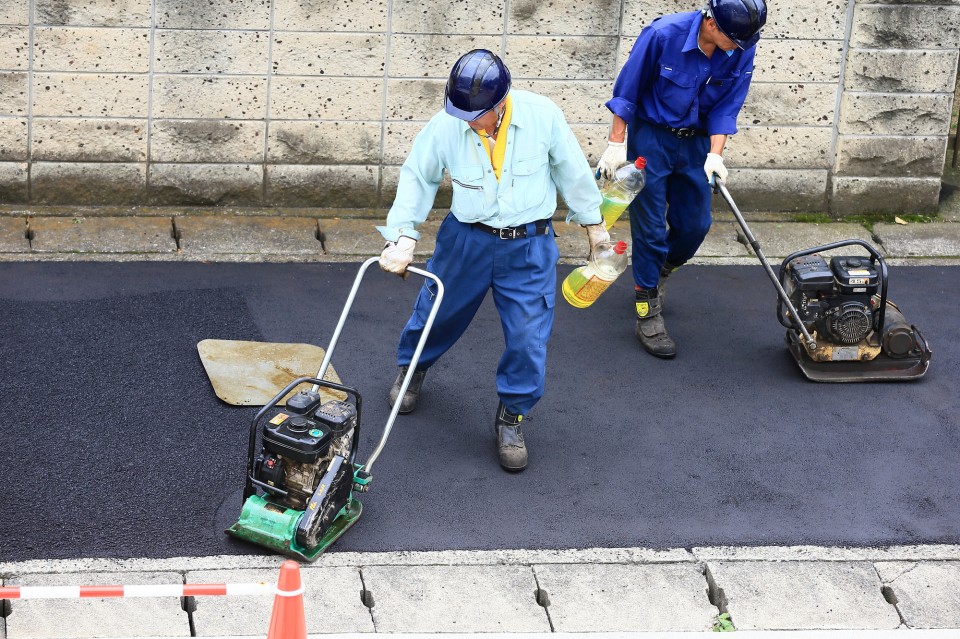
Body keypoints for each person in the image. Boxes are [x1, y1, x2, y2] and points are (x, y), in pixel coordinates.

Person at [378, 49, 607, 472]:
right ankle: (412, 369)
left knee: (527, 334)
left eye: (477, 114)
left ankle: (512, 415)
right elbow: (418, 176)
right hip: (466, 239)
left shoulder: (543, 116)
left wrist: (594, 227)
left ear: (501, 102)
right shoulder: (447, 124)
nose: (468, 121)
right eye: (461, 112)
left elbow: (572, 172)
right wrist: (403, 237)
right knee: (436, 312)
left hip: (529, 243)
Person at [596, 0, 767, 359]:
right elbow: (627, 90)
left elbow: (727, 105)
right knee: (650, 229)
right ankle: (647, 307)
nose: (739, 49)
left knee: (695, 225)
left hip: (696, 144)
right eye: (734, 41)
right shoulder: (661, 35)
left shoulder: (740, 46)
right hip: (652, 139)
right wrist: (616, 144)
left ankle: (661, 270)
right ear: (711, 23)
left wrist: (716, 154)